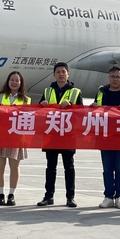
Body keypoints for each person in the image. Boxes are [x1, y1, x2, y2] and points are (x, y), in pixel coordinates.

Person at [91, 66, 120, 210]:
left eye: (118, 77)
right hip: (105, 136)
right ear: (108, 78)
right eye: (113, 76)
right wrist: (93, 107)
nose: (115, 79)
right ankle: (108, 197)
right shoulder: (101, 92)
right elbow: (95, 111)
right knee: (107, 168)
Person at [38, 62, 82, 208]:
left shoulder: (76, 92)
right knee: (50, 167)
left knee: (69, 167)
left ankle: (70, 197)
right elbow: (39, 113)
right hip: (51, 135)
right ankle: (48, 196)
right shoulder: (47, 91)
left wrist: (71, 107)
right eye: (58, 72)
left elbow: (82, 114)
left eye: (64, 72)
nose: (61, 74)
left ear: (68, 74)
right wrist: (43, 105)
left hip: (68, 135)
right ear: (54, 74)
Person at [0, 71, 30, 206]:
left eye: (17, 80)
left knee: (14, 167)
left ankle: (11, 194)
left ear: (21, 83)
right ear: (8, 81)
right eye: (12, 79)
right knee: (0, 166)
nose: (14, 82)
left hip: (16, 137)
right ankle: (0, 194)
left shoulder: (26, 100)